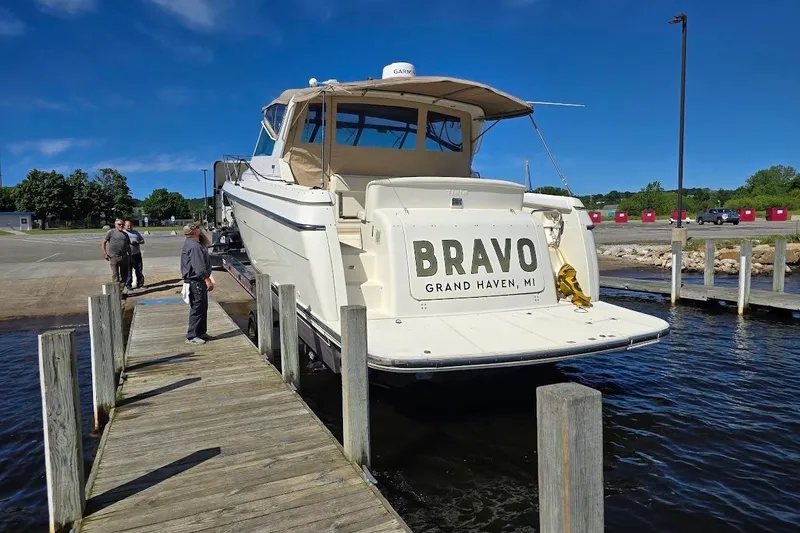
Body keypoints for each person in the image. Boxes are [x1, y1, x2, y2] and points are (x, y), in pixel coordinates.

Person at [180, 221, 214, 344]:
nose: (200, 230)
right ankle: (192, 335)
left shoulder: (195, 244)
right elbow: (198, 265)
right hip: (196, 281)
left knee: (203, 306)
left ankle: (200, 332)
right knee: (197, 307)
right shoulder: (194, 246)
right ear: (194, 231)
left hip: (197, 280)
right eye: (198, 228)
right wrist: (207, 279)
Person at [101, 219, 131, 295]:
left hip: (124, 257)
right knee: (115, 275)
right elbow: (103, 242)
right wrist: (105, 253)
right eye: (119, 224)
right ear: (115, 225)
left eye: (122, 224)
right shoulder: (111, 232)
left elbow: (128, 246)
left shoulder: (125, 234)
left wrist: (130, 255)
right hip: (114, 256)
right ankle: (116, 293)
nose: (121, 226)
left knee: (124, 275)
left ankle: (120, 291)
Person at [123, 220, 145, 289]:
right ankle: (128, 284)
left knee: (139, 269)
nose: (129, 227)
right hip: (128, 255)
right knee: (129, 271)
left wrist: (137, 242)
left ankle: (140, 284)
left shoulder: (136, 232)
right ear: (124, 226)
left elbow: (143, 241)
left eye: (130, 225)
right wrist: (129, 243)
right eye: (128, 226)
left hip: (137, 254)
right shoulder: (123, 233)